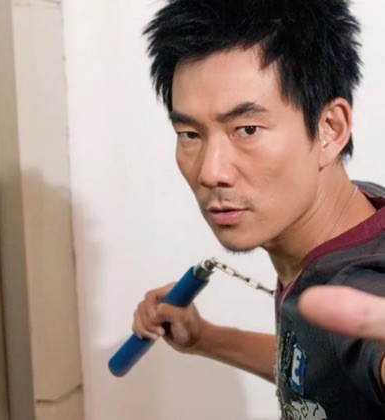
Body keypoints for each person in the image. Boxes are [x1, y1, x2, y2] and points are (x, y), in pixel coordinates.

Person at [132, 1, 385, 418]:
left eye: (246, 130)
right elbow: (321, 371)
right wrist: (205, 337)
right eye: (190, 133)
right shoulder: (358, 207)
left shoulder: (363, 286)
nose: (211, 172)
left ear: (330, 129)